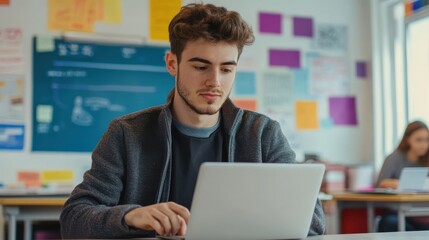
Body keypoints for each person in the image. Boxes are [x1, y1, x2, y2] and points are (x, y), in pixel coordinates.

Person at [60, 3, 325, 238]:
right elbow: (74, 219)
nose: (215, 81)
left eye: (227, 69)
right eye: (201, 67)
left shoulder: (263, 134)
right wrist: (130, 217)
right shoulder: (126, 134)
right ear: (172, 64)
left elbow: (311, 224)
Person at [376, 120, 429, 232]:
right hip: (397, 212)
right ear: (408, 139)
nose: (424, 145)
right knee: (390, 223)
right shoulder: (394, 158)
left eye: (427, 140)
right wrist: (402, 184)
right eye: (419, 140)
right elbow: (381, 183)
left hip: (423, 214)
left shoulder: (427, 159)